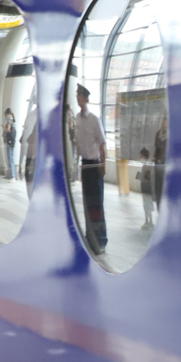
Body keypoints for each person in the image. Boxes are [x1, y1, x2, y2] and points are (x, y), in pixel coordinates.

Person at [74, 84, 107, 254]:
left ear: (86, 98)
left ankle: (100, 240)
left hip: (95, 165)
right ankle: (89, 237)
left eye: (79, 96)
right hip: (85, 165)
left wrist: (103, 165)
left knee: (97, 204)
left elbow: (102, 144)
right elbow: (79, 144)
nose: (77, 98)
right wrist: (77, 164)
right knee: (87, 203)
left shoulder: (94, 119)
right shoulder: (78, 119)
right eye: (76, 95)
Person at [137, 147, 154, 229]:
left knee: (147, 205)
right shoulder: (148, 164)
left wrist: (140, 177)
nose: (140, 157)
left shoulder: (146, 165)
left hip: (146, 187)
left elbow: (146, 177)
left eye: (141, 156)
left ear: (143, 156)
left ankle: (148, 221)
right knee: (148, 205)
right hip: (148, 187)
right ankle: (149, 221)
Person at [153, 116, 168, 208]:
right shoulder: (158, 134)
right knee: (158, 187)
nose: (164, 125)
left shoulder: (172, 135)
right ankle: (159, 207)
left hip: (167, 165)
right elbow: (156, 149)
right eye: (164, 123)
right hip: (158, 165)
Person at [3, 107, 17, 180]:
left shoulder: (9, 120)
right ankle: (13, 175)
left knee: (11, 158)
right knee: (11, 157)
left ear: (9, 114)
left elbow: (8, 130)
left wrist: (3, 127)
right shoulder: (13, 121)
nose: (6, 116)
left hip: (9, 141)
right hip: (12, 141)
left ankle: (13, 176)